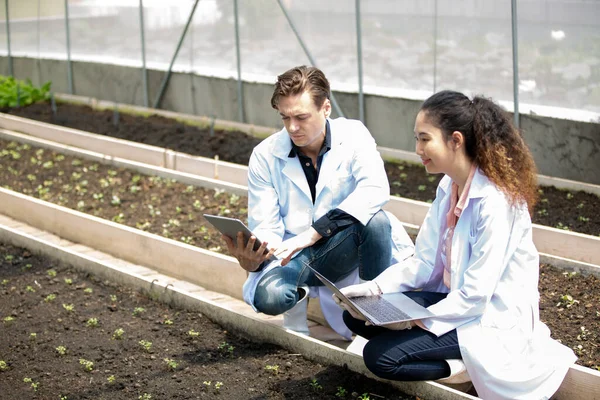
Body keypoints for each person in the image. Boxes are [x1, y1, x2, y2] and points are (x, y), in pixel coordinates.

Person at [335, 90, 577, 399]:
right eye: (417, 139)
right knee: (357, 315)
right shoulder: (449, 186)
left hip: (488, 317)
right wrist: (374, 289)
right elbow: (423, 262)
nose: (418, 149)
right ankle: (437, 345)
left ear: (456, 140)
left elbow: (476, 296)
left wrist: (411, 320)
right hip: (452, 303)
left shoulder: (495, 202)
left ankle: (461, 368)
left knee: (381, 357)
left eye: (425, 139)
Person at [222, 65, 414, 338]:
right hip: (295, 256)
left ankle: (371, 323)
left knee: (376, 222)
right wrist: (253, 260)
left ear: (326, 108)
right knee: (271, 297)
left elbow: (375, 189)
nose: (292, 127)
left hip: (345, 247)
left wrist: (314, 233)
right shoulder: (265, 155)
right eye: (284, 117)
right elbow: (266, 224)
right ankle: (296, 302)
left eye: (301, 117)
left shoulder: (354, 136)